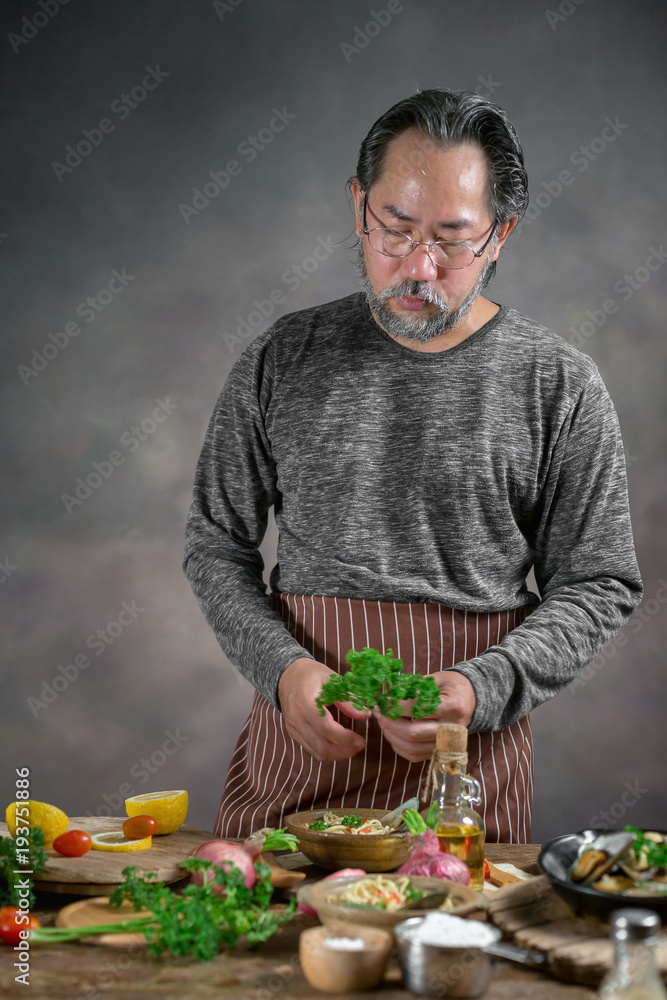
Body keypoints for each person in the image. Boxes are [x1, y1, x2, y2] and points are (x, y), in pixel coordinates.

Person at [183, 88, 643, 843]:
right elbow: (214, 546)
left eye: (452, 239)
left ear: (500, 235)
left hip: (466, 779)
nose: (418, 267)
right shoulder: (280, 358)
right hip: (296, 768)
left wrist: (477, 686)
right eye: (393, 229)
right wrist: (285, 673)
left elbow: (598, 582)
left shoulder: (557, 383)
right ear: (358, 204)